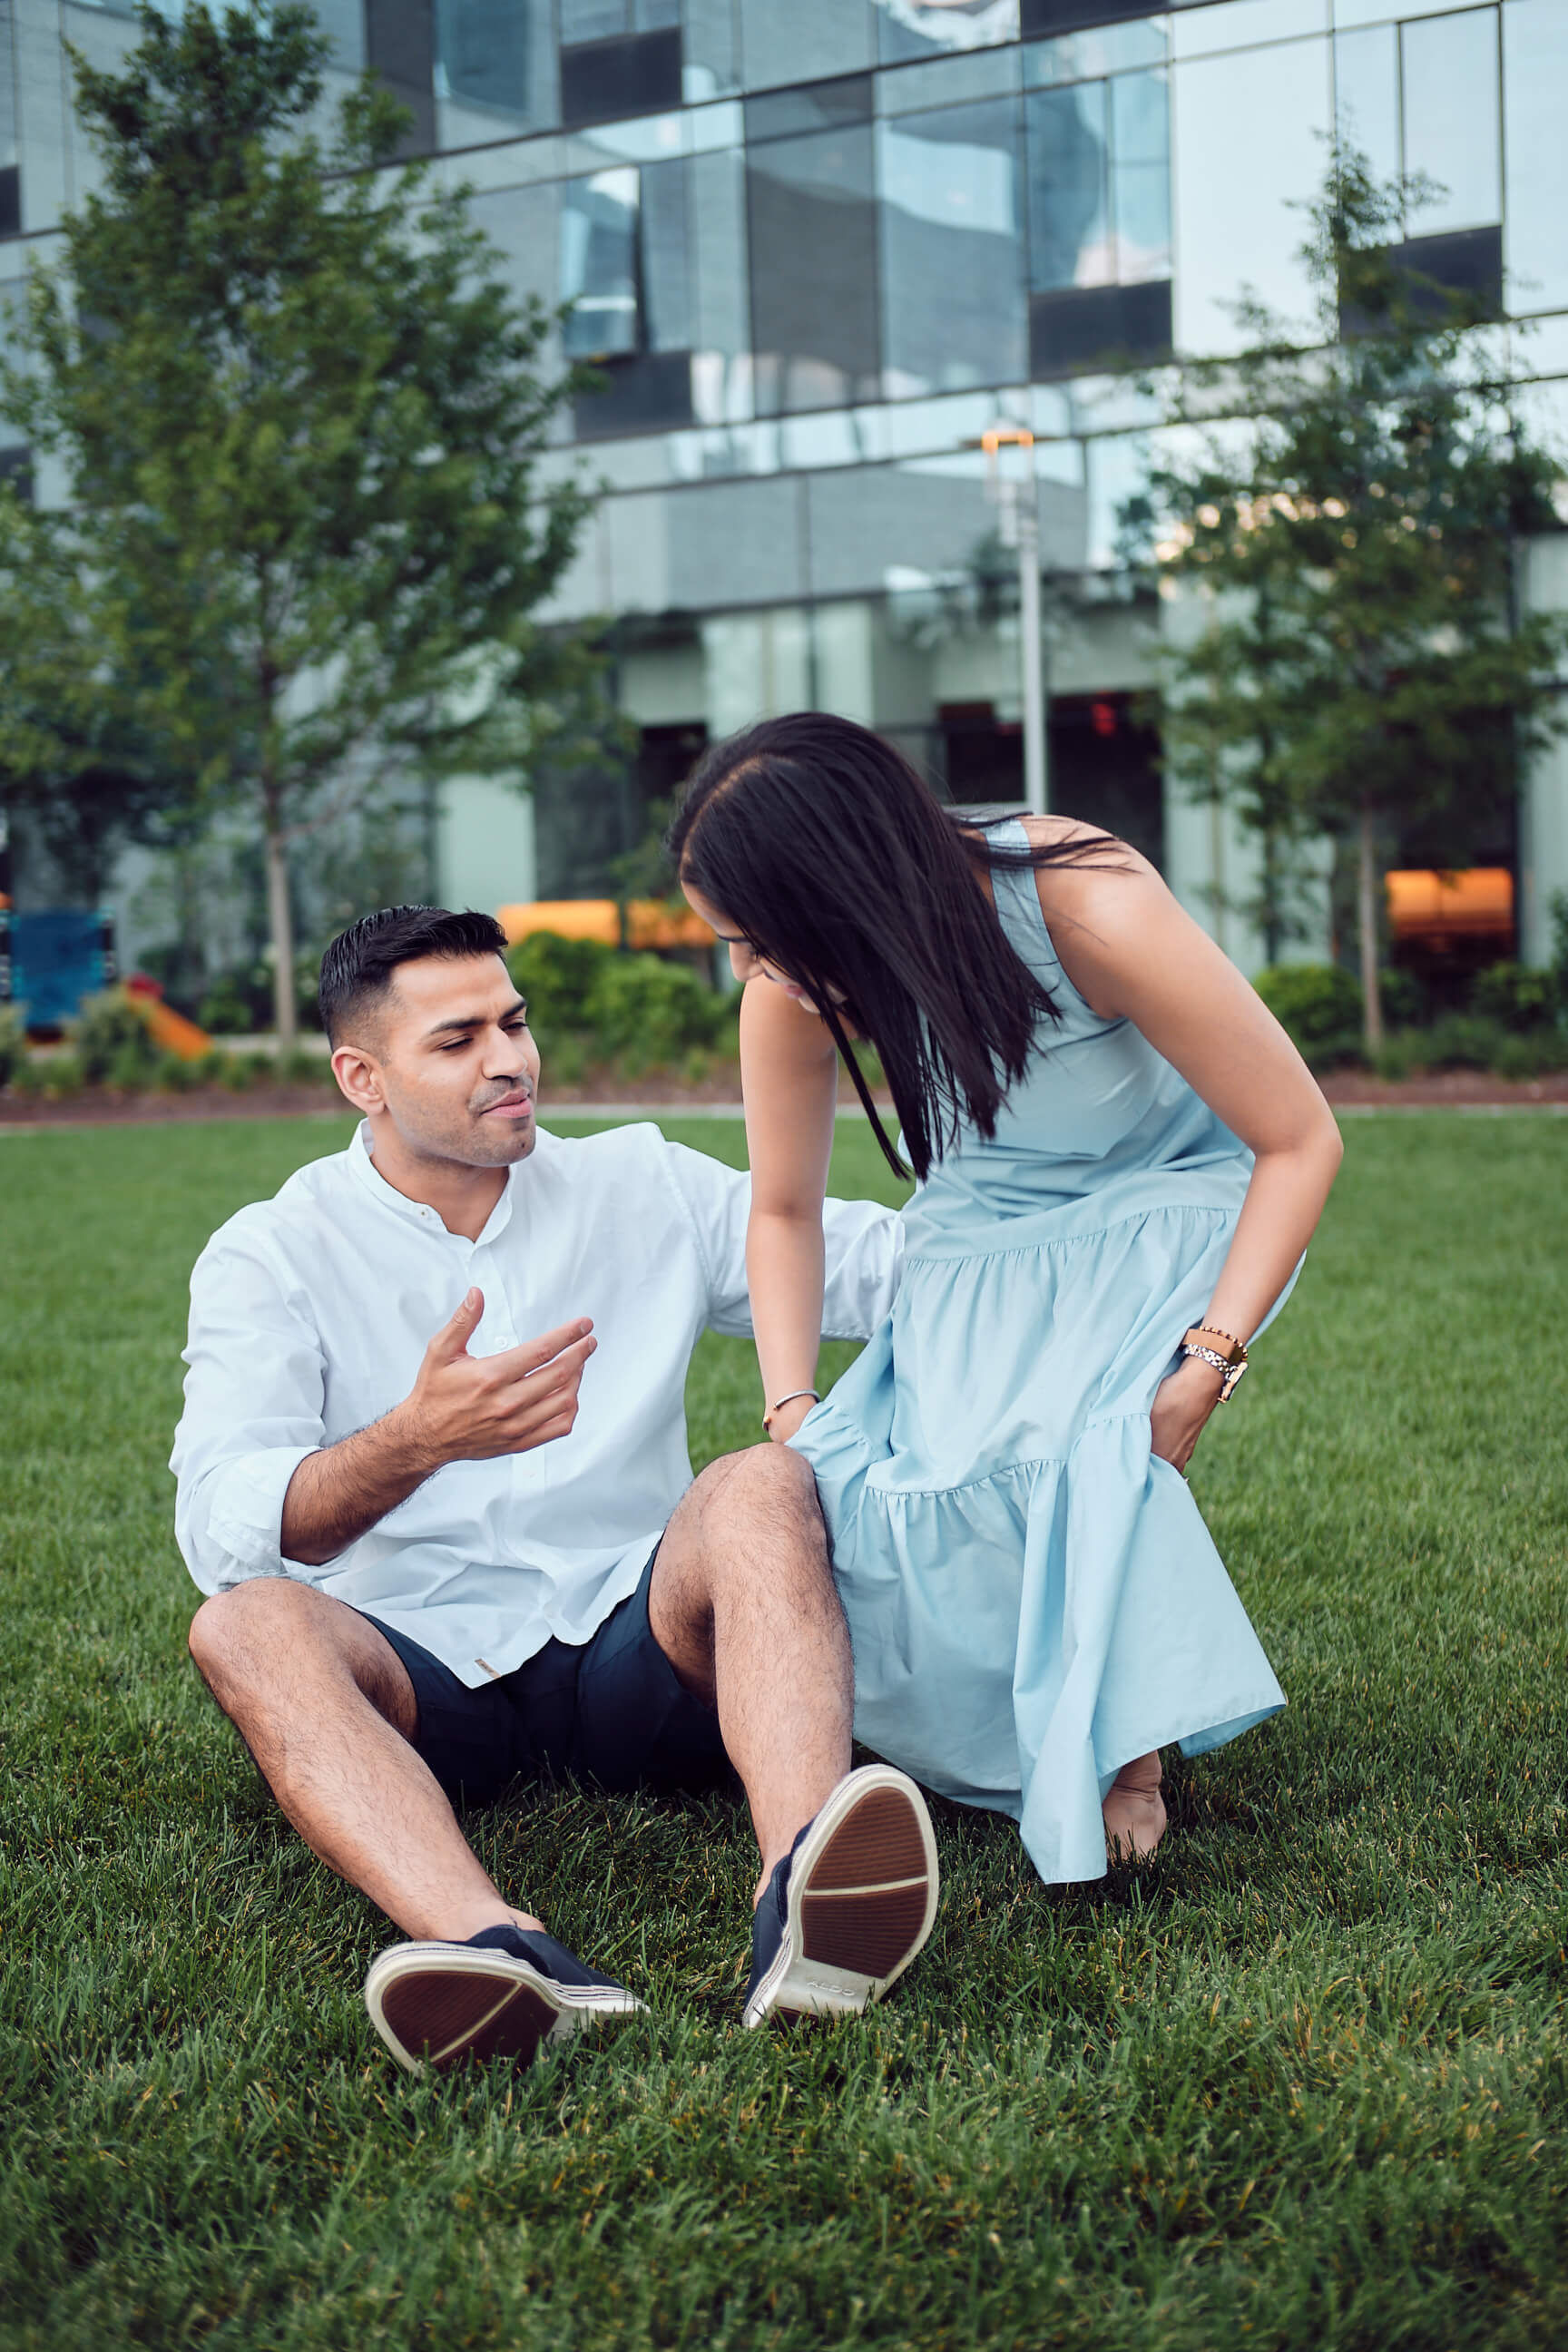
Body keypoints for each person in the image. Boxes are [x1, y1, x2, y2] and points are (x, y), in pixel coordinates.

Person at [173, 905, 940, 2075]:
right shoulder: (271, 1252)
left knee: (763, 1482)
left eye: (514, 1022)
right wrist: (415, 1441)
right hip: (424, 1678)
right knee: (241, 1624)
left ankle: (805, 1895)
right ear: (359, 1077)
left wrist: (1086, 1235)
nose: (511, 1059)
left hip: (638, 1639)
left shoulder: (641, 1183)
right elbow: (224, 1527)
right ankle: (496, 1948)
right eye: (458, 1040)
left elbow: (885, 1271)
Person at [670, 713, 1344, 1886]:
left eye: (752, 934)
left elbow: (1297, 1138)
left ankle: (1125, 1755)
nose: (747, 969)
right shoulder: (791, 988)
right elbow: (780, 1210)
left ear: (840, 889)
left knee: (1080, 1445)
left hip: (1170, 1197)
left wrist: (1207, 1364)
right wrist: (790, 1400)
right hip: (980, 1233)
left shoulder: (1088, 905)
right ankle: (971, 1732)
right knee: (896, 1479)